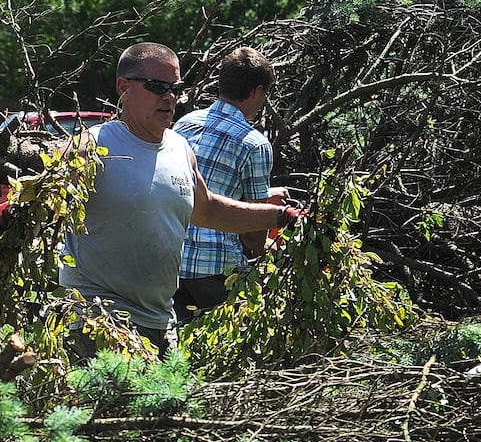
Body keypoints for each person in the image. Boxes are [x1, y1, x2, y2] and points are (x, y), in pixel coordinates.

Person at [55, 42, 300, 356]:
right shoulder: (91, 147)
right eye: (158, 87)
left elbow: (208, 210)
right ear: (123, 88)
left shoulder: (180, 147)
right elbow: (43, 203)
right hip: (101, 320)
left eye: (175, 88)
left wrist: (278, 217)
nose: (168, 97)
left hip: (159, 319)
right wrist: (1, 220)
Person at [173, 46, 285, 324]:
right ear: (258, 92)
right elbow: (253, 232)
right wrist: (266, 255)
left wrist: (268, 194)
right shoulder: (254, 143)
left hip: (171, 263)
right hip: (217, 270)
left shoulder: (186, 123)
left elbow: (198, 186)